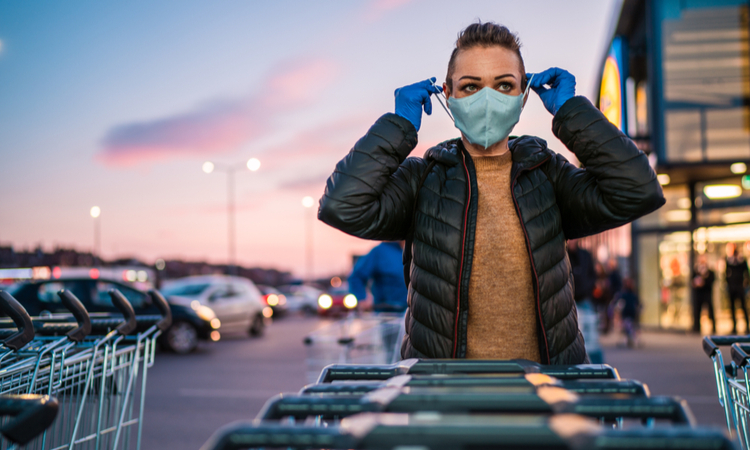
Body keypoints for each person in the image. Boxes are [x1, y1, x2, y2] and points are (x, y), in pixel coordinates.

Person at [318, 21, 665, 364]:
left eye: (503, 85)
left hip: (546, 394)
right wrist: (399, 125)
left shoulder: (549, 174)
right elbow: (342, 205)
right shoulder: (423, 179)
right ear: (448, 96)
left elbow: (637, 190)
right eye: (470, 87)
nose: (487, 98)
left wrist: (571, 111)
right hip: (443, 397)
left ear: (523, 95)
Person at [568, 240, 603, 363]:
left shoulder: (585, 255)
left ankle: (597, 365)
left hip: (584, 299)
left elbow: (592, 276)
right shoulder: (563, 255)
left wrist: (587, 289)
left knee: (591, 336)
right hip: (570, 301)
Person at [348, 241, 408, 313]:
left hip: (412, 315)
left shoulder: (414, 252)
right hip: (387, 315)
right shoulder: (379, 252)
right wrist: (362, 297)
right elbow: (356, 277)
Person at [725, 243, 749, 334]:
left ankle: (747, 326)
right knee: (732, 308)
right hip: (732, 288)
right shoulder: (728, 261)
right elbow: (726, 274)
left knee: (743, 307)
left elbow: (746, 273)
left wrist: (745, 284)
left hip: (740, 287)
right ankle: (734, 326)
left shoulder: (741, 261)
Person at [692, 254, 716, 334]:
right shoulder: (696, 270)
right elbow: (691, 280)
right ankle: (696, 327)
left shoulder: (709, 271)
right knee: (697, 311)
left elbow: (712, 280)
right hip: (699, 294)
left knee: (710, 310)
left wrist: (704, 282)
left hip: (707, 293)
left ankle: (713, 327)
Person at [617, 278, 641, 348]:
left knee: (629, 326)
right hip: (629, 312)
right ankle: (630, 340)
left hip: (629, 312)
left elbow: (638, 303)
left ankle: (631, 339)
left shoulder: (626, 294)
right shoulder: (629, 294)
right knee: (629, 326)